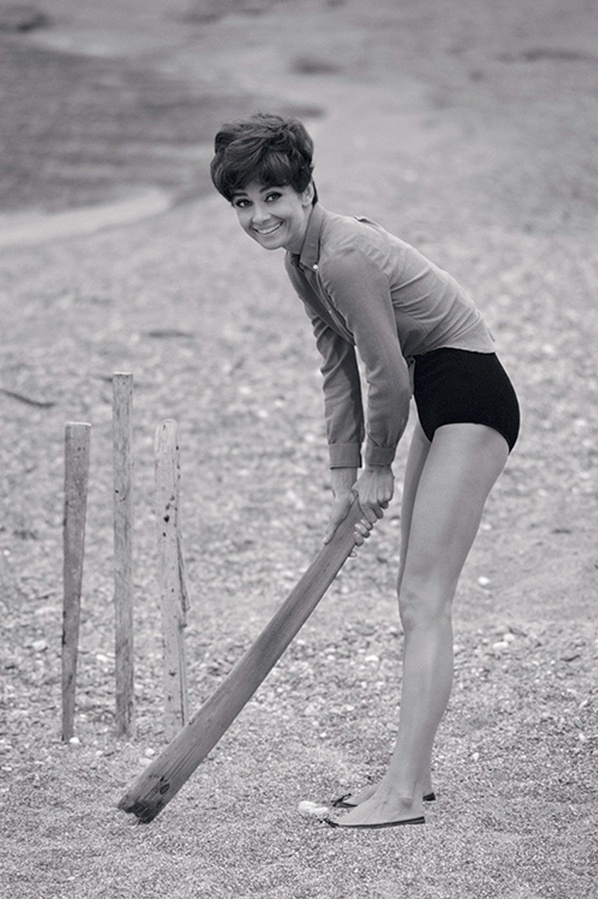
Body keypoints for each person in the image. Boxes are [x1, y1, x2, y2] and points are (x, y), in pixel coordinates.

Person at [210, 112, 520, 830]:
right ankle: (414, 776)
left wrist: (379, 464)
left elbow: (386, 373)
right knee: (415, 597)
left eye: (273, 197)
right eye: (243, 203)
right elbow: (337, 368)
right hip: (439, 393)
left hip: (467, 393)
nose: (259, 216)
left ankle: (402, 794)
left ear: (307, 190)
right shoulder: (304, 262)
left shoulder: (344, 255)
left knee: (424, 598)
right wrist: (342, 474)